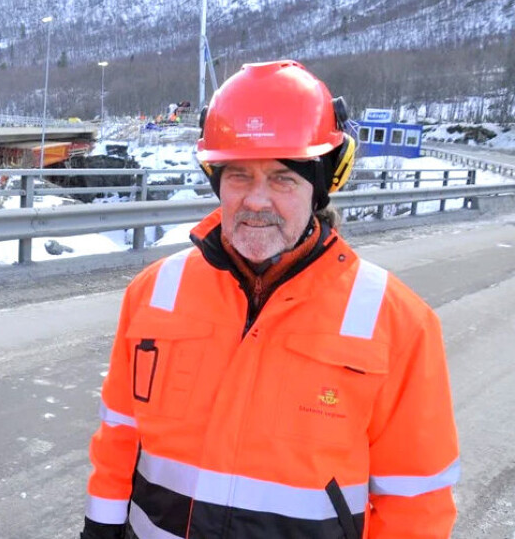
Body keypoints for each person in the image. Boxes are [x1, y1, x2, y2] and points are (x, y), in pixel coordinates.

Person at [80, 60, 459, 539]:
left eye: (283, 178)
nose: (257, 200)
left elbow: (415, 504)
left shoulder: (397, 321)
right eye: (239, 175)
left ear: (321, 185)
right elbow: (118, 440)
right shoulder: (154, 292)